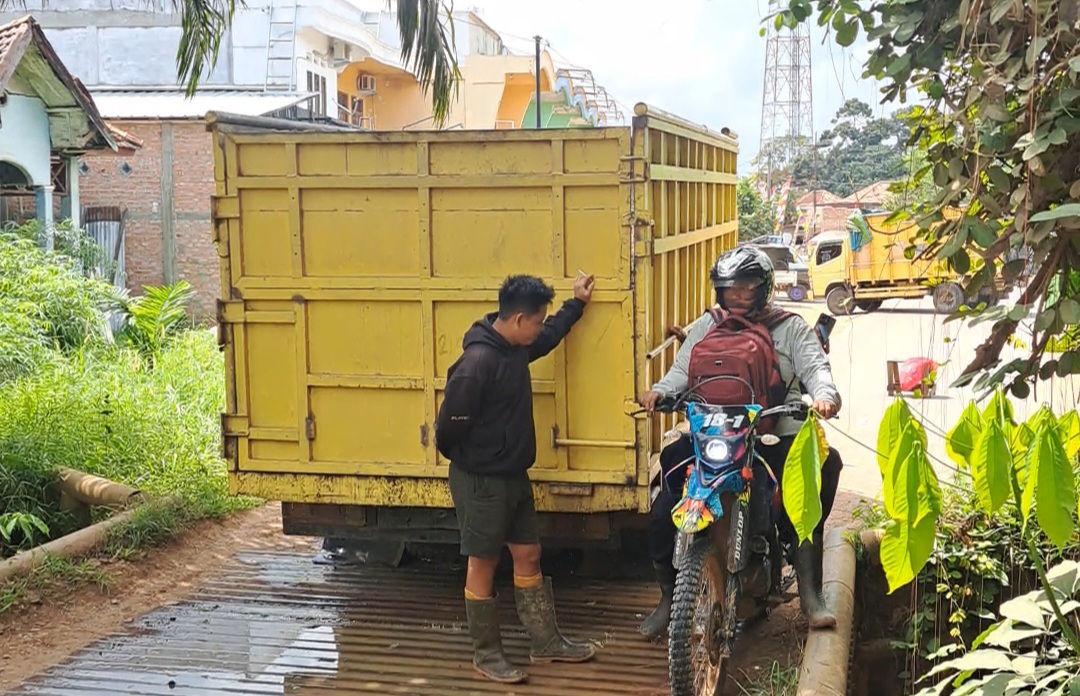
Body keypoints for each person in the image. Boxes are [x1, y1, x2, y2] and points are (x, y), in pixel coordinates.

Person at [637, 246, 844, 640]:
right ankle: (668, 597)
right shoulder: (708, 324)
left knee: (802, 498)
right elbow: (680, 371)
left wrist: (824, 396)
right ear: (719, 290)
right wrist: (659, 392)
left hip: (771, 434)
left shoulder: (791, 327)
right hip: (711, 436)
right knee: (666, 500)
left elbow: (817, 369)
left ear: (763, 288)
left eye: (747, 288)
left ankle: (811, 595)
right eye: (731, 289)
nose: (739, 296)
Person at [435, 273, 598, 684]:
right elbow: (447, 431)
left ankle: (545, 642)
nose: (541, 328)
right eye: (539, 321)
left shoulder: (515, 347)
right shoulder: (477, 363)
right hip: (482, 480)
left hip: (513, 475)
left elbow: (550, 336)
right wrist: (479, 461)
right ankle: (486, 654)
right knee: (484, 561)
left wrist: (576, 304)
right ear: (520, 318)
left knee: (528, 555)